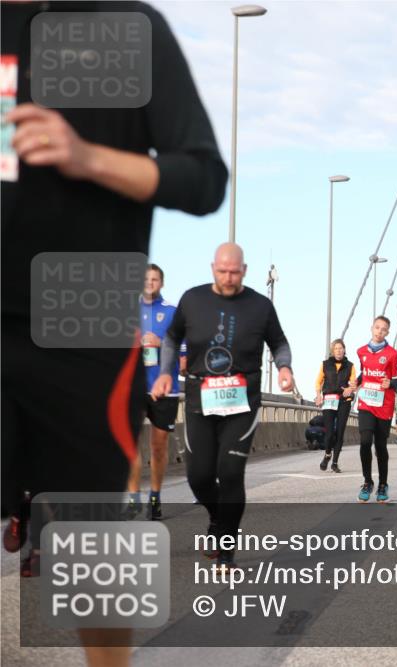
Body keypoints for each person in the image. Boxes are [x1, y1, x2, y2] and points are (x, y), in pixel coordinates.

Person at [1, 3, 226, 663]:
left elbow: (203, 177)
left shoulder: (131, 28)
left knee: (93, 560)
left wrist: (86, 156)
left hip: (84, 327)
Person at [153, 243, 293, 571]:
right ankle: (217, 517)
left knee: (230, 474)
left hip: (242, 401)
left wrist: (284, 367)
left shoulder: (260, 305)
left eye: (234, 272)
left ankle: (227, 548)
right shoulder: (192, 299)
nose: (228, 278)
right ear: (212, 267)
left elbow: (279, 343)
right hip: (200, 399)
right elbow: (171, 339)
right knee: (199, 476)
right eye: (222, 271)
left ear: (244, 270)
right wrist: (164, 373)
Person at [125, 264, 187, 521]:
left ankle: (155, 496)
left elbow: (184, 355)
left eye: (154, 279)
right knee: (130, 446)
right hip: (134, 388)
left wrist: (161, 343)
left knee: (158, 447)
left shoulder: (172, 312)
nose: (150, 283)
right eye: (146, 279)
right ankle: (133, 498)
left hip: (165, 389)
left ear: (161, 282)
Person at [354, 316, 397, 502]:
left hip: (384, 404)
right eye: (377, 327)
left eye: (383, 329)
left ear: (387, 333)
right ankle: (367, 482)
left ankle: (383, 485)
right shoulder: (361, 351)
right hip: (366, 403)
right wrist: (355, 384)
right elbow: (364, 373)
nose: (379, 331)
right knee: (365, 441)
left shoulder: (392, 354)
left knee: (380, 446)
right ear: (371, 328)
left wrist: (390, 382)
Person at [314, 339, 356, 473]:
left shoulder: (350, 365)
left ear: (344, 350)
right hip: (329, 399)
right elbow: (318, 381)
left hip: (344, 400)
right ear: (333, 351)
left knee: (340, 432)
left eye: (341, 348)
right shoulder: (325, 364)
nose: (339, 350)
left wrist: (350, 389)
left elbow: (354, 382)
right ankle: (327, 454)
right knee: (330, 432)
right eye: (336, 348)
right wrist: (318, 395)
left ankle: (335, 463)